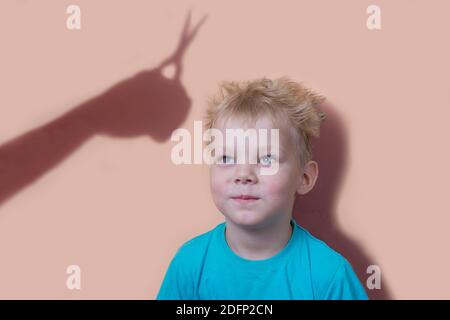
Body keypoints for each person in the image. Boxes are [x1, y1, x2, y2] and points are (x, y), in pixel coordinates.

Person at [156, 77, 368, 299]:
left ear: (304, 177)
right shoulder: (189, 265)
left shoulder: (328, 275)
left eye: (267, 158)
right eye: (227, 158)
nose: (243, 175)